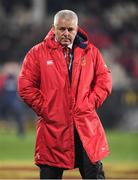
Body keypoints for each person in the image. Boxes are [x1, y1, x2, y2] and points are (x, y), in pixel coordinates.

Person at [18, 9, 112, 179]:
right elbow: (25, 86)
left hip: (85, 127)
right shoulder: (37, 53)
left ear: (77, 29)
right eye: (62, 29)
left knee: (95, 176)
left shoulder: (91, 52)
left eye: (70, 29)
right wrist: (47, 108)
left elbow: (104, 81)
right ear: (53, 28)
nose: (66, 33)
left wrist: (89, 103)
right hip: (53, 128)